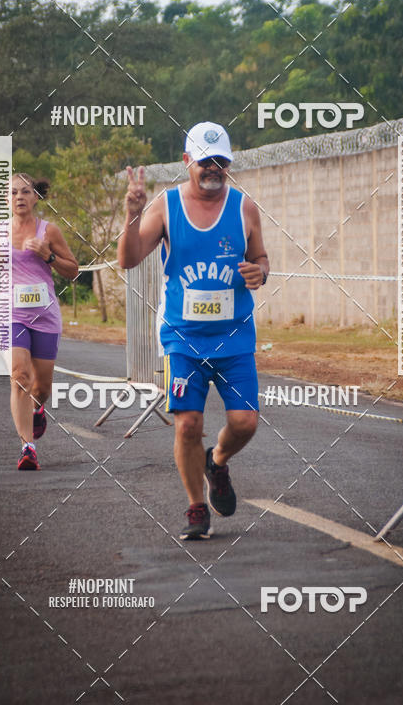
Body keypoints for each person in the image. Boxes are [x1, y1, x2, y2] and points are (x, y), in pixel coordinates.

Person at [118, 122, 269, 540]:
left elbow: (261, 258)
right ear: (188, 162)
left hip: (234, 336)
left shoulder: (244, 208)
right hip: (182, 337)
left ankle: (217, 461)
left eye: (221, 161)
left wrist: (260, 272)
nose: (214, 168)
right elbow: (129, 259)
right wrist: (132, 215)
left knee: (245, 422)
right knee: (187, 423)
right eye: (206, 161)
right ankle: (195, 506)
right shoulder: (166, 207)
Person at [9, 174, 78, 470]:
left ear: (36, 197)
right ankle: (28, 447)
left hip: (45, 316)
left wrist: (47, 255)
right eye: (13, 192)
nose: (19, 197)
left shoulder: (50, 230)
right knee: (19, 377)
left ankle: (38, 408)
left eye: (25, 191)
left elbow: (73, 271)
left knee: (42, 388)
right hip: (12, 315)